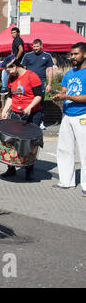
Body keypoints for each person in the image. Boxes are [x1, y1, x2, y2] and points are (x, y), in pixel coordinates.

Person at [0, 55, 43, 181]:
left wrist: (29, 107)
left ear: (15, 66)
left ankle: (29, 169)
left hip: (32, 114)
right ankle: (11, 168)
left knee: (29, 142)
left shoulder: (31, 76)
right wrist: (5, 110)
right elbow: (11, 97)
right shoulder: (11, 78)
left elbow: (39, 96)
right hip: (16, 113)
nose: (8, 73)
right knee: (12, 142)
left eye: (8, 70)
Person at [51, 42, 86, 197]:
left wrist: (67, 96)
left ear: (84, 54)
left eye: (75, 54)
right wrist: (59, 95)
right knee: (64, 149)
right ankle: (66, 181)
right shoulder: (69, 74)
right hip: (68, 115)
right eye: (71, 54)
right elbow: (65, 90)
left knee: (84, 152)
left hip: (82, 116)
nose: (72, 57)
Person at [21, 39, 54, 130]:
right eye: (34, 46)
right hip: (28, 83)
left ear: (41, 46)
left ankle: (41, 121)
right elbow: (23, 69)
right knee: (28, 101)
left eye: (37, 46)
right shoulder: (27, 56)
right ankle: (27, 120)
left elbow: (50, 70)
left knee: (40, 102)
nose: (35, 48)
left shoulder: (47, 56)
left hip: (40, 83)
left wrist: (49, 84)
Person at [0, 27, 25, 95]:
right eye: (11, 33)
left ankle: (4, 88)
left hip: (17, 62)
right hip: (15, 61)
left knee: (5, 71)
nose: (12, 34)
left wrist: (16, 58)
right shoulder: (15, 40)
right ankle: (11, 88)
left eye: (14, 32)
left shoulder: (18, 40)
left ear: (18, 33)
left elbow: (21, 50)